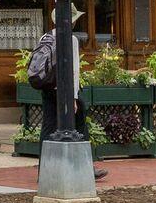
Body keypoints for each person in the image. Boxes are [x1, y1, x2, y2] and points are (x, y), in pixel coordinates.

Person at [35, 21, 107, 181]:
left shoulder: (45, 37)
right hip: (64, 89)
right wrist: (73, 97)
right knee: (80, 123)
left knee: (47, 127)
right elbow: (74, 70)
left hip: (48, 88)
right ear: (73, 21)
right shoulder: (71, 39)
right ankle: (87, 167)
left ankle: (43, 170)